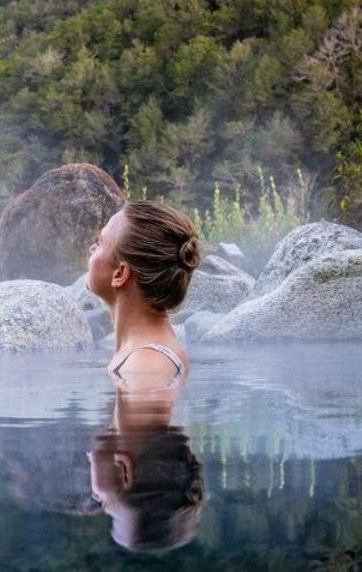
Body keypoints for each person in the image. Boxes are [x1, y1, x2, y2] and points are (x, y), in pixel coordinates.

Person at [86, 200, 202, 388]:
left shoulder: (147, 366)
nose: (91, 249)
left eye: (100, 243)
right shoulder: (142, 356)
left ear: (120, 274)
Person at [88, 377, 206, 553]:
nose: (96, 497)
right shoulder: (138, 366)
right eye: (103, 502)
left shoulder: (142, 369)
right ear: (124, 470)